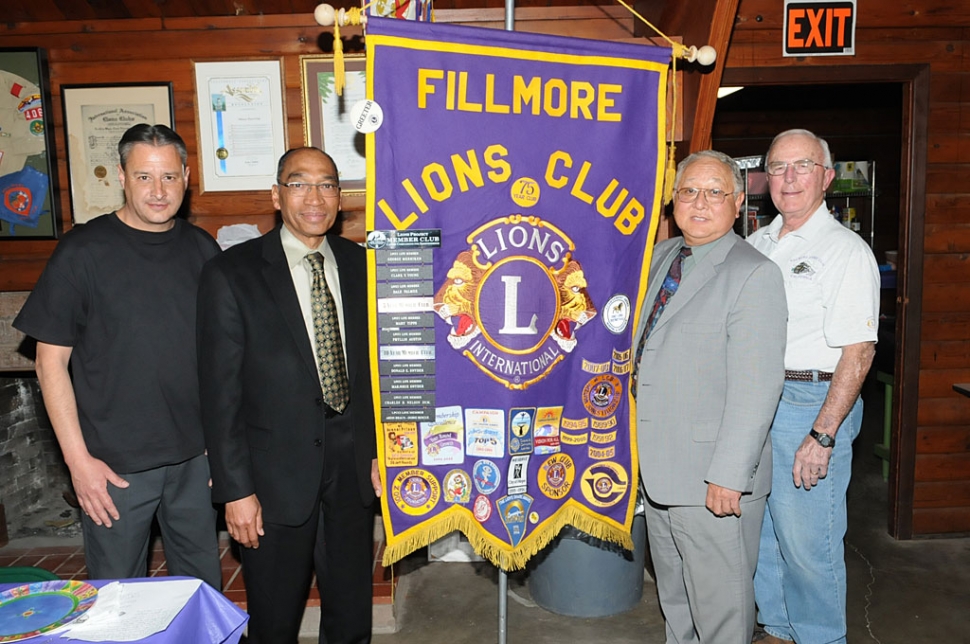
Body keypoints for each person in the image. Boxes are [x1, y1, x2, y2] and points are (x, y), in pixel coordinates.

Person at [13, 123, 222, 588]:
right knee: (117, 601)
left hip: (195, 459)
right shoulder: (82, 251)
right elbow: (49, 362)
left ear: (186, 178)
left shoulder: (202, 249)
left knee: (200, 591)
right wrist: (78, 462)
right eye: (144, 176)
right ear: (122, 178)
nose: (158, 190)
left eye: (169, 176)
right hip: (113, 468)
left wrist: (221, 444)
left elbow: (220, 356)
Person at [197, 147, 381, 643]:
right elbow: (220, 395)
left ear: (341, 198)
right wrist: (235, 490)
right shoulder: (230, 274)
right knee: (274, 623)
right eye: (299, 184)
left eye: (326, 184)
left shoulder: (364, 266)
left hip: (352, 474)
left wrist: (385, 451)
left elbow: (379, 372)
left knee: (351, 617)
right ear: (277, 196)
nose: (314, 197)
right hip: (271, 481)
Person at [633, 150, 788, 643]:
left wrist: (728, 477)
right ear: (673, 200)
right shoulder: (662, 257)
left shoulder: (753, 274)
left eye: (714, 192)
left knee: (720, 613)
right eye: (688, 191)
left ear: (738, 201)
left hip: (710, 482)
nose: (699, 203)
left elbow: (757, 387)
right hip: (659, 471)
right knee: (676, 602)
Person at [749, 129, 880, 644]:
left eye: (802, 166)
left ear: (827, 177)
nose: (789, 177)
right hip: (759, 400)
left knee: (809, 546)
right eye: (778, 167)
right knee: (764, 538)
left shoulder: (845, 251)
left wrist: (823, 434)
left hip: (811, 402)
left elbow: (859, 351)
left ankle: (822, 637)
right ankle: (779, 632)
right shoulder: (756, 244)